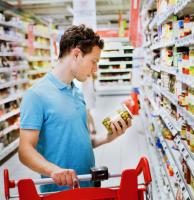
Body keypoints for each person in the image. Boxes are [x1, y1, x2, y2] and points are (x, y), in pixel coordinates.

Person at [19, 24, 131, 193]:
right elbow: (25, 150)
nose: (95, 69)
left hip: (87, 186)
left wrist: (107, 138)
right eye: (93, 62)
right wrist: (52, 171)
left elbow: (81, 141)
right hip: (59, 192)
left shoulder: (76, 92)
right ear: (77, 54)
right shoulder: (36, 95)